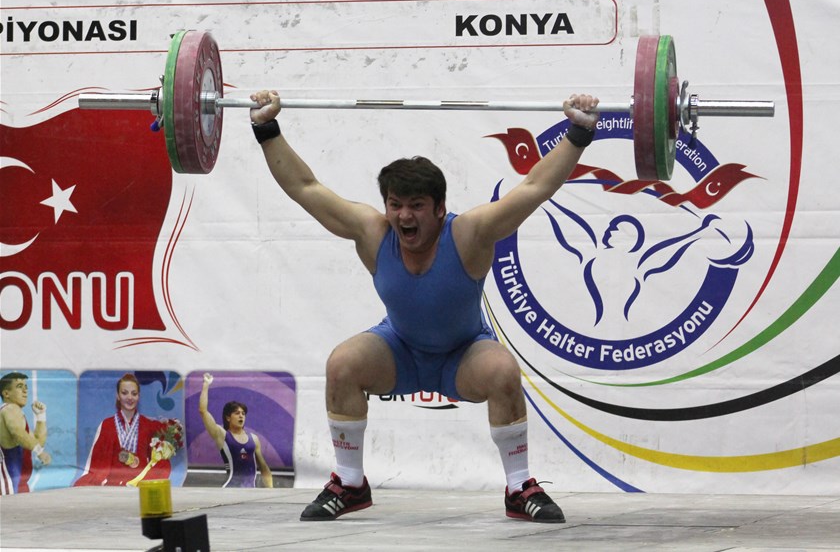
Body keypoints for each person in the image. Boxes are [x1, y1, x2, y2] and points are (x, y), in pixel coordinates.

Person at [249, 89, 599, 523]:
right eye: (395, 205)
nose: (404, 217)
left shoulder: (470, 233)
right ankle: (350, 484)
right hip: (399, 350)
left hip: (464, 354)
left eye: (416, 206)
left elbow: (534, 187)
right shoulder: (373, 233)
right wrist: (267, 129)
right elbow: (305, 187)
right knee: (343, 363)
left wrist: (578, 134)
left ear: (440, 208)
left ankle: (518, 487)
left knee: (503, 370)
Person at [74, 373, 171, 486]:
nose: (130, 397)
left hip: (139, 484)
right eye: (124, 393)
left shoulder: (148, 425)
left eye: (134, 393)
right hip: (113, 485)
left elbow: (158, 455)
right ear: (118, 396)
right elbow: (98, 463)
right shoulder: (107, 425)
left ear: (138, 396)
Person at [198, 373, 273, 488]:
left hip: (251, 493)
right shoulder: (222, 435)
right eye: (237, 413)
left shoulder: (254, 439)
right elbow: (203, 411)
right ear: (228, 417)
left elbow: (263, 467)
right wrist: (206, 385)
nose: (241, 416)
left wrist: (271, 490)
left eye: (243, 414)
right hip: (230, 491)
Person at [1, 372, 50, 494]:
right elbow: (17, 433)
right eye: (19, 386)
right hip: (6, 481)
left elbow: (38, 442)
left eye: (26, 387)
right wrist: (39, 452)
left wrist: (41, 416)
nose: (25, 391)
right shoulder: (9, 409)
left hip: (17, 481)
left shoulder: (16, 414)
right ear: (6, 393)